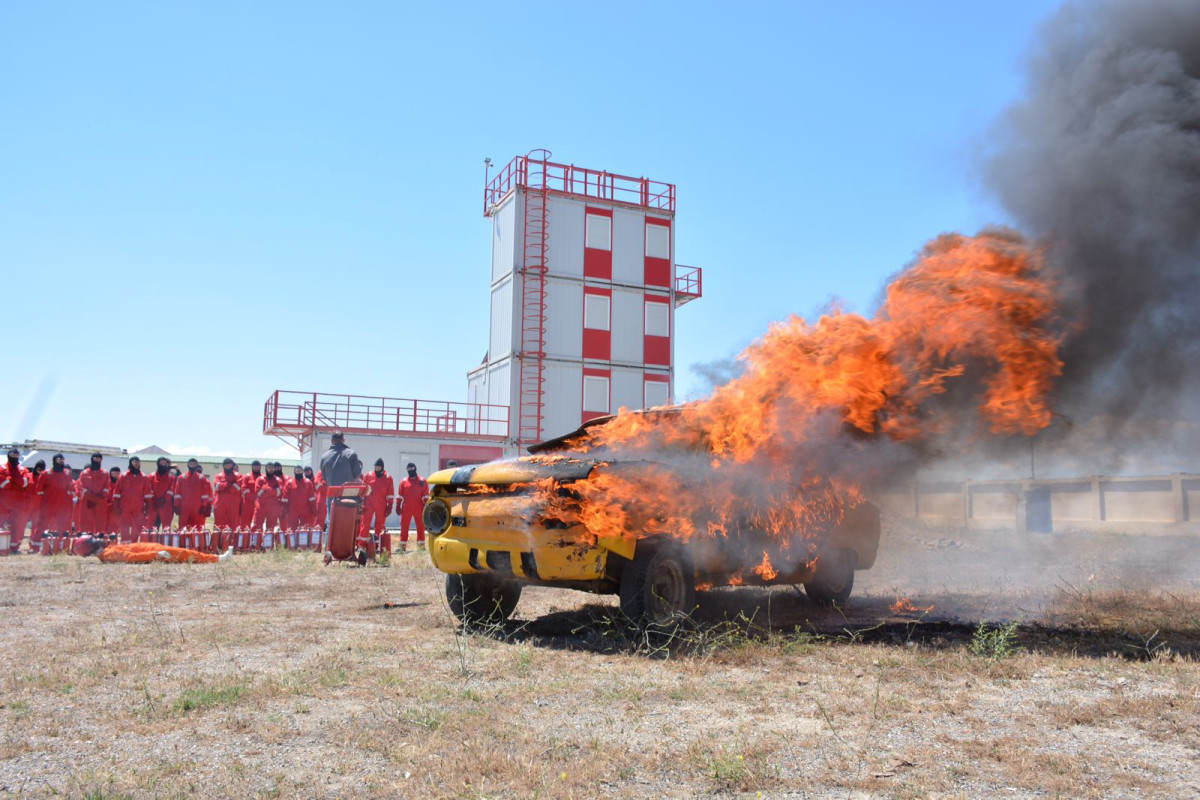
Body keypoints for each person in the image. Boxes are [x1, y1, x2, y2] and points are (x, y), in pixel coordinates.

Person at [73, 534, 233, 564]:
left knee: (185, 553)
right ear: (91, 545)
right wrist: (156, 554)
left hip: (154, 547)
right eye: (94, 539)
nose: (99, 539)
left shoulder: (107, 552)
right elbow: (133, 557)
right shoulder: (110, 554)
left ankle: (215, 558)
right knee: (186, 554)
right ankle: (217, 559)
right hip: (156, 551)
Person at [318, 432, 362, 541]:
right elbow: (357, 475)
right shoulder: (351, 454)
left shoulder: (324, 457)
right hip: (349, 494)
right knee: (348, 521)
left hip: (332, 494)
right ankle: (345, 548)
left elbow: (325, 477)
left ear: (332, 441)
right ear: (343, 440)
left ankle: (329, 549)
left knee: (331, 521)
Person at [0, 448, 35, 553]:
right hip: (3, 503)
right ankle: (2, 547)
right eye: (13, 454)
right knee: (1, 524)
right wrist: (16, 481)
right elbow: (3, 484)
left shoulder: (23, 469)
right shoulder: (2, 468)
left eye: (17, 454)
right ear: (8, 455)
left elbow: (25, 483)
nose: (15, 456)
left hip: (18, 503)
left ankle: (14, 548)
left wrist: (10, 479)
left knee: (17, 525)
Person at [112, 456, 153, 542]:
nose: (136, 463)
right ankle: (125, 543)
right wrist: (116, 507)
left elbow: (147, 494)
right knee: (124, 526)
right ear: (130, 463)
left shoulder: (144, 477)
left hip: (138, 507)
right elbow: (117, 493)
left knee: (137, 526)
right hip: (124, 506)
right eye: (134, 461)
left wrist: (147, 508)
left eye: (138, 461)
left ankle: (133, 543)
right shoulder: (123, 476)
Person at [36, 454, 75, 541]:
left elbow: (70, 487)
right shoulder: (46, 473)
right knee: (43, 524)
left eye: (62, 459)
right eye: (58, 459)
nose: (61, 461)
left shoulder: (68, 473)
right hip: (48, 505)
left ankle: (59, 544)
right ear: (54, 460)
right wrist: (46, 498)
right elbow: (39, 489)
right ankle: (36, 545)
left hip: (62, 505)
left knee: (61, 525)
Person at [360, 458, 395, 552]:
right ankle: (361, 546)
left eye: (379, 467)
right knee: (365, 524)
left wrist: (389, 506)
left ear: (382, 467)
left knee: (379, 525)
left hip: (381, 504)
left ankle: (376, 546)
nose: (377, 468)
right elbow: (363, 490)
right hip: (369, 503)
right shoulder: (369, 475)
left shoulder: (388, 477)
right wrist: (362, 503)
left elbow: (390, 494)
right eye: (376, 466)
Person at [396, 462, 429, 551]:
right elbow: (399, 496)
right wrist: (398, 506)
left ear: (415, 469)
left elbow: (426, 496)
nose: (410, 471)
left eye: (412, 469)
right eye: (408, 470)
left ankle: (421, 547)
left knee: (420, 526)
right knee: (404, 526)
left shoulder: (422, 481)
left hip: (419, 507)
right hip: (407, 507)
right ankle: (402, 547)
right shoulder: (403, 481)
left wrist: (427, 508)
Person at [174, 458, 212, 529]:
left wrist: (204, 506)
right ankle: (183, 540)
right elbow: (177, 493)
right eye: (191, 463)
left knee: (198, 528)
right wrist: (176, 505)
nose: (192, 465)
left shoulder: (202, 478)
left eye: (194, 464)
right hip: (184, 506)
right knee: (183, 526)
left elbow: (205, 494)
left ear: (197, 465)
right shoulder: (181, 477)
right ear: (188, 465)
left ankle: (197, 540)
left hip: (198, 507)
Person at [77, 453, 110, 533]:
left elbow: (107, 487)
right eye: (96, 458)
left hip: (100, 502)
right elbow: (81, 487)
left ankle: (99, 538)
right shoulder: (84, 473)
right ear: (92, 459)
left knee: (100, 521)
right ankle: (86, 539)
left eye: (99, 458)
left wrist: (99, 497)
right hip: (87, 502)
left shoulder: (105, 473)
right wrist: (91, 497)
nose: (97, 460)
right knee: (86, 521)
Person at [252, 462, 287, 532]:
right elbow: (258, 493)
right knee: (257, 526)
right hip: (261, 506)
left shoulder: (278, 480)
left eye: (272, 468)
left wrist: (265, 489)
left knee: (271, 527)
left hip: (273, 507)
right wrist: (273, 491)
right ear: (265, 469)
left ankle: (269, 542)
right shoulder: (259, 479)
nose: (270, 469)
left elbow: (280, 493)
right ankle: (256, 542)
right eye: (269, 468)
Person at [146, 456, 176, 531]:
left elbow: (171, 489)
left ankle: (165, 542)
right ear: (158, 464)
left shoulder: (171, 476)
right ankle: (151, 541)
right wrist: (154, 500)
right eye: (161, 463)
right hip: (153, 505)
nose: (163, 464)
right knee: (152, 526)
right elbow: (149, 488)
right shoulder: (151, 476)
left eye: (165, 463)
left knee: (166, 527)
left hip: (166, 505)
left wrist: (164, 499)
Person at [212, 458, 243, 530]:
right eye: (226, 465)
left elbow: (236, 488)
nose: (228, 466)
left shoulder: (238, 476)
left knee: (233, 524)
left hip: (233, 504)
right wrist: (230, 484)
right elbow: (217, 487)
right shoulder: (218, 476)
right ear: (223, 466)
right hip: (220, 504)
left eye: (229, 465)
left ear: (232, 465)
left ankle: (233, 540)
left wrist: (223, 486)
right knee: (219, 524)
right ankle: (219, 540)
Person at [284, 466, 315, 531]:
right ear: (294, 472)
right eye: (297, 471)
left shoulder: (307, 482)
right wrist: (284, 510)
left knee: (305, 529)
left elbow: (311, 498)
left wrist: (314, 510)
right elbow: (285, 498)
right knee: (292, 529)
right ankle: (292, 541)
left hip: (305, 510)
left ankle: (303, 541)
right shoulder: (289, 483)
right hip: (292, 510)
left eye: (300, 471)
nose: (298, 472)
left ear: (302, 472)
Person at [28, 459, 47, 550]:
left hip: (40, 506)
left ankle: (34, 545)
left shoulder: (45, 478)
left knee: (36, 526)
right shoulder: (29, 476)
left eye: (42, 467)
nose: (39, 469)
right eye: (38, 466)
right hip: (28, 505)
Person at [240, 461, 262, 528]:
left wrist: (250, 490)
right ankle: (245, 537)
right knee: (245, 522)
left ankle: (257, 537)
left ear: (260, 467)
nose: (256, 468)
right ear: (252, 467)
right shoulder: (246, 477)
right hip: (248, 503)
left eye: (257, 466)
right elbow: (244, 489)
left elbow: (265, 489)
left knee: (258, 522)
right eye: (254, 466)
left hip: (259, 503)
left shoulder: (263, 477)